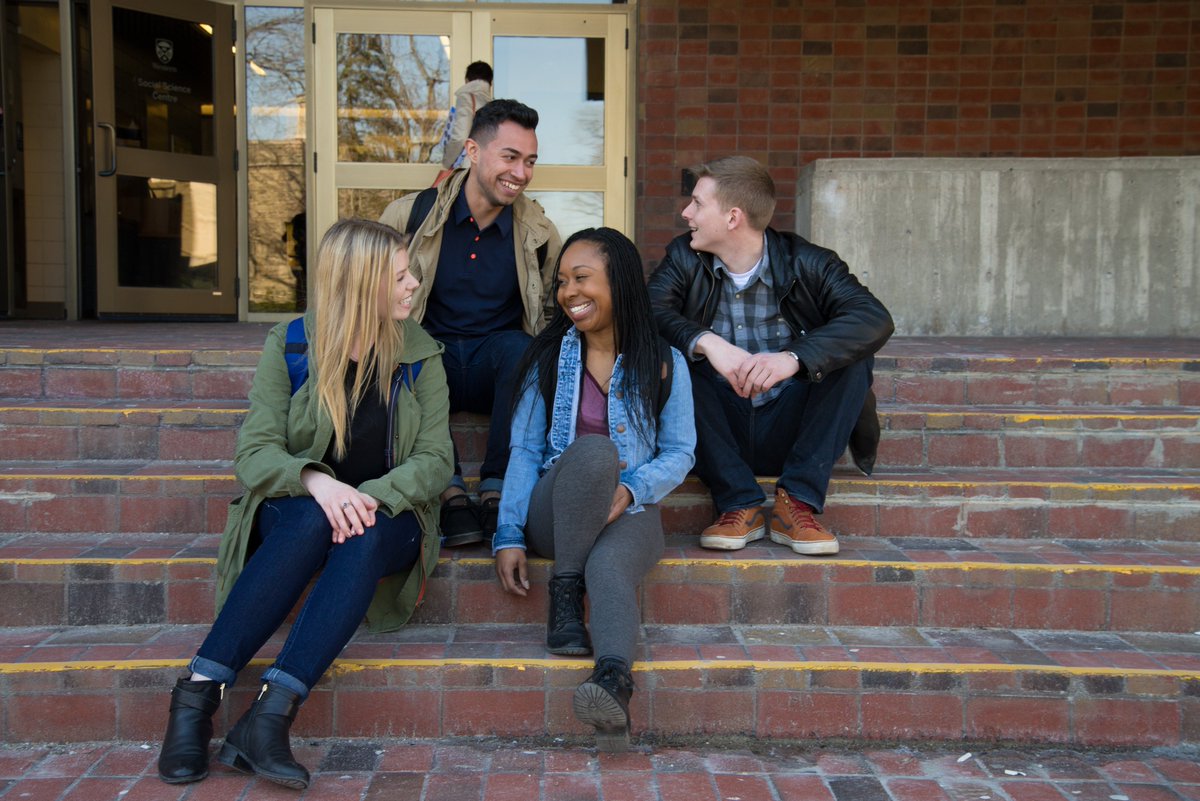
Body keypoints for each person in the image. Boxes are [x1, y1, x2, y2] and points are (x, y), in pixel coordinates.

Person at [155, 219, 452, 789]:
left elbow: (436, 460)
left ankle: (267, 714)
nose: (414, 283)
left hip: (390, 516)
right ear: (361, 283)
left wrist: (365, 497)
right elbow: (255, 453)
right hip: (298, 510)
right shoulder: (292, 344)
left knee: (359, 531)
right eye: (400, 275)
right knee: (315, 517)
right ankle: (198, 698)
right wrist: (318, 482)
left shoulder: (419, 356)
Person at [493, 228, 696, 752]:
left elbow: (680, 452)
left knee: (610, 568)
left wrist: (631, 490)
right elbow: (523, 452)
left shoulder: (664, 360)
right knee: (593, 451)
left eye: (581, 279)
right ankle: (565, 592)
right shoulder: (547, 359)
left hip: (629, 507)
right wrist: (510, 533)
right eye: (562, 282)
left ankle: (612, 685)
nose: (568, 293)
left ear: (619, 282)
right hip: (555, 514)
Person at [647, 156, 893, 556]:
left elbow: (873, 319)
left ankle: (795, 502)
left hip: (791, 428)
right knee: (670, 356)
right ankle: (737, 501)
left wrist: (792, 359)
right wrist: (707, 341)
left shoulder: (808, 262)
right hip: (715, 433)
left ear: (732, 217)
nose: (685, 213)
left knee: (851, 358)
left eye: (696, 203)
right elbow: (646, 311)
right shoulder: (684, 258)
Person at [379, 99, 561, 547]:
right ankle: (450, 491)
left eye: (530, 161)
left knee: (522, 347)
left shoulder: (538, 232)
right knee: (408, 345)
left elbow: (557, 311)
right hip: (425, 366)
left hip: (496, 369)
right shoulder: (409, 217)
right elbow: (366, 293)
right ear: (473, 151)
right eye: (510, 157)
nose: (521, 172)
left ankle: (498, 487)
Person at [436, 61, 493, 175]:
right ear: (490, 83)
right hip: (486, 168)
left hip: (466, 167)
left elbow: (460, 136)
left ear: (467, 80)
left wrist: (446, 163)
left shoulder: (466, 98)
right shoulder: (493, 105)